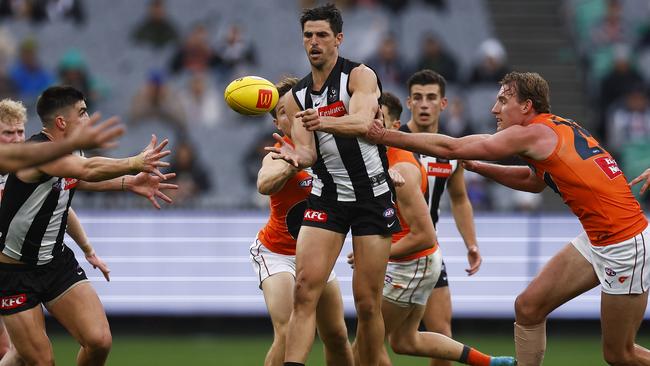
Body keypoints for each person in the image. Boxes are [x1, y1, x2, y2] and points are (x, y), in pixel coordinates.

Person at [367, 71, 650, 366]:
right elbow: (535, 181)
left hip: (623, 245)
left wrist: (384, 135)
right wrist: (479, 167)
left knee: (620, 354)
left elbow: (452, 147)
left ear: (526, 106)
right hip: (600, 237)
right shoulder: (552, 128)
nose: (494, 109)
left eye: (503, 100)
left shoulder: (530, 133)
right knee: (527, 308)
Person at [0, 85, 176, 366]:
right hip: (15, 272)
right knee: (38, 361)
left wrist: (128, 183)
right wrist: (135, 163)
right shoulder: (37, 152)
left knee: (99, 341)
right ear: (61, 122)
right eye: (82, 113)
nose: (88, 118)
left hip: (55, 263)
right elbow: (86, 169)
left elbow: (77, 178)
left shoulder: (69, 153)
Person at [265, 4, 401, 365]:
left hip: (372, 193)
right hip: (328, 196)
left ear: (339, 39)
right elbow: (308, 154)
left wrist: (321, 122)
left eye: (322, 35)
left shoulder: (359, 76)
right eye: (308, 35)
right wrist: (294, 159)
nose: (314, 42)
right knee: (304, 291)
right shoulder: (296, 99)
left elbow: (362, 124)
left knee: (368, 303)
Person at [349, 92, 515, 366]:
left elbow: (425, 234)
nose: (368, 125)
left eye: (378, 119)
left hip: (411, 262)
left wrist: (376, 253)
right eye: (364, 119)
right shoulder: (377, 161)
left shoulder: (402, 169)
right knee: (405, 341)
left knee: (364, 347)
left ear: (394, 127)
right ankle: (489, 363)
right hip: (414, 261)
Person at [0, 98, 115, 360]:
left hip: (33, 264)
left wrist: (87, 249)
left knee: (19, 353)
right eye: (8, 133)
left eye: (20, 131)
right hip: (9, 268)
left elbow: (62, 200)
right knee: (16, 351)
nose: (17, 138)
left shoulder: (31, 161)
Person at [252, 77, 353, 366]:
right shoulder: (279, 152)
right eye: (282, 111)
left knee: (336, 335)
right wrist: (292, 164)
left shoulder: (331, 149)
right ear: (276, 122)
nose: (292, 116)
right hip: (276, 254)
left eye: (296, 108)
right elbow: (264, 183)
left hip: (315, 255)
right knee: (287, 333)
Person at [398, 69, 482, 366]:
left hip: (427, 252)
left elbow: (459, 199)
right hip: (389, 252)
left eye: (431, 98)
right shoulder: (392, 142)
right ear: (408, 102)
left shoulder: (450, 150)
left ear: (443, 104)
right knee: (374, 334)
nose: (424, 104)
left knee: (442, 333)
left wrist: (471, 243)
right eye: (418, 98)